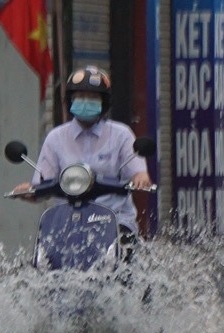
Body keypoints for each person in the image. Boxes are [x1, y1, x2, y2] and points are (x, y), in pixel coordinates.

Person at [12, 65, 153, 235]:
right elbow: (42, 184)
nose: (85, 101)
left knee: (125, 248)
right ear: (71, 100)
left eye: (92, 97)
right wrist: (28, 190)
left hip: (115, 221)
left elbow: (138, 172)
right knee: (45, 256)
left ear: (103, 102)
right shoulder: (55, 138)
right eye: (80, 97)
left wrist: (140, 178)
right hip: (67, 223)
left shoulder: (121, 135)